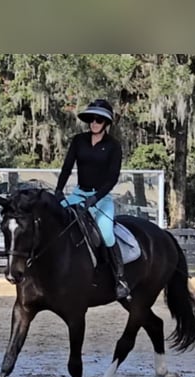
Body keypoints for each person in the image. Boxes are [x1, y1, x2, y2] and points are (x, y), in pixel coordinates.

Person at [54, 98, 130, 300]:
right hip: (78, 193)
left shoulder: (114, 146)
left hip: (101, 197)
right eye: (92, 119)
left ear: (106, 123)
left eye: (99, 120)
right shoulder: (79, 140)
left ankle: (119, 278)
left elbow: (112, 178)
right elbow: (67, 167)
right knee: (55, 218)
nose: (94, 123)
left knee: (106, 233)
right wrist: (59, 191)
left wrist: (95, 198)